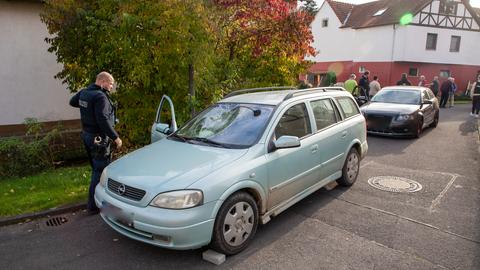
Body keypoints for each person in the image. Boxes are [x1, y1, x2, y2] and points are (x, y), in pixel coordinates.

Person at [69, 71, 122, 214]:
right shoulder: (100, 96)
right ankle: (93, 207)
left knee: (95, 169)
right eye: (110, 84)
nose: (111, 87)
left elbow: (72, 102)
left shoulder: (85, 92)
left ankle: (99, 201)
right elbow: (103, 120)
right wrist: (115, 137)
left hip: (87, 135)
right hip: (98, 139)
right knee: (100, 172)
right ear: (103, 81)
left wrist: (87, 108)